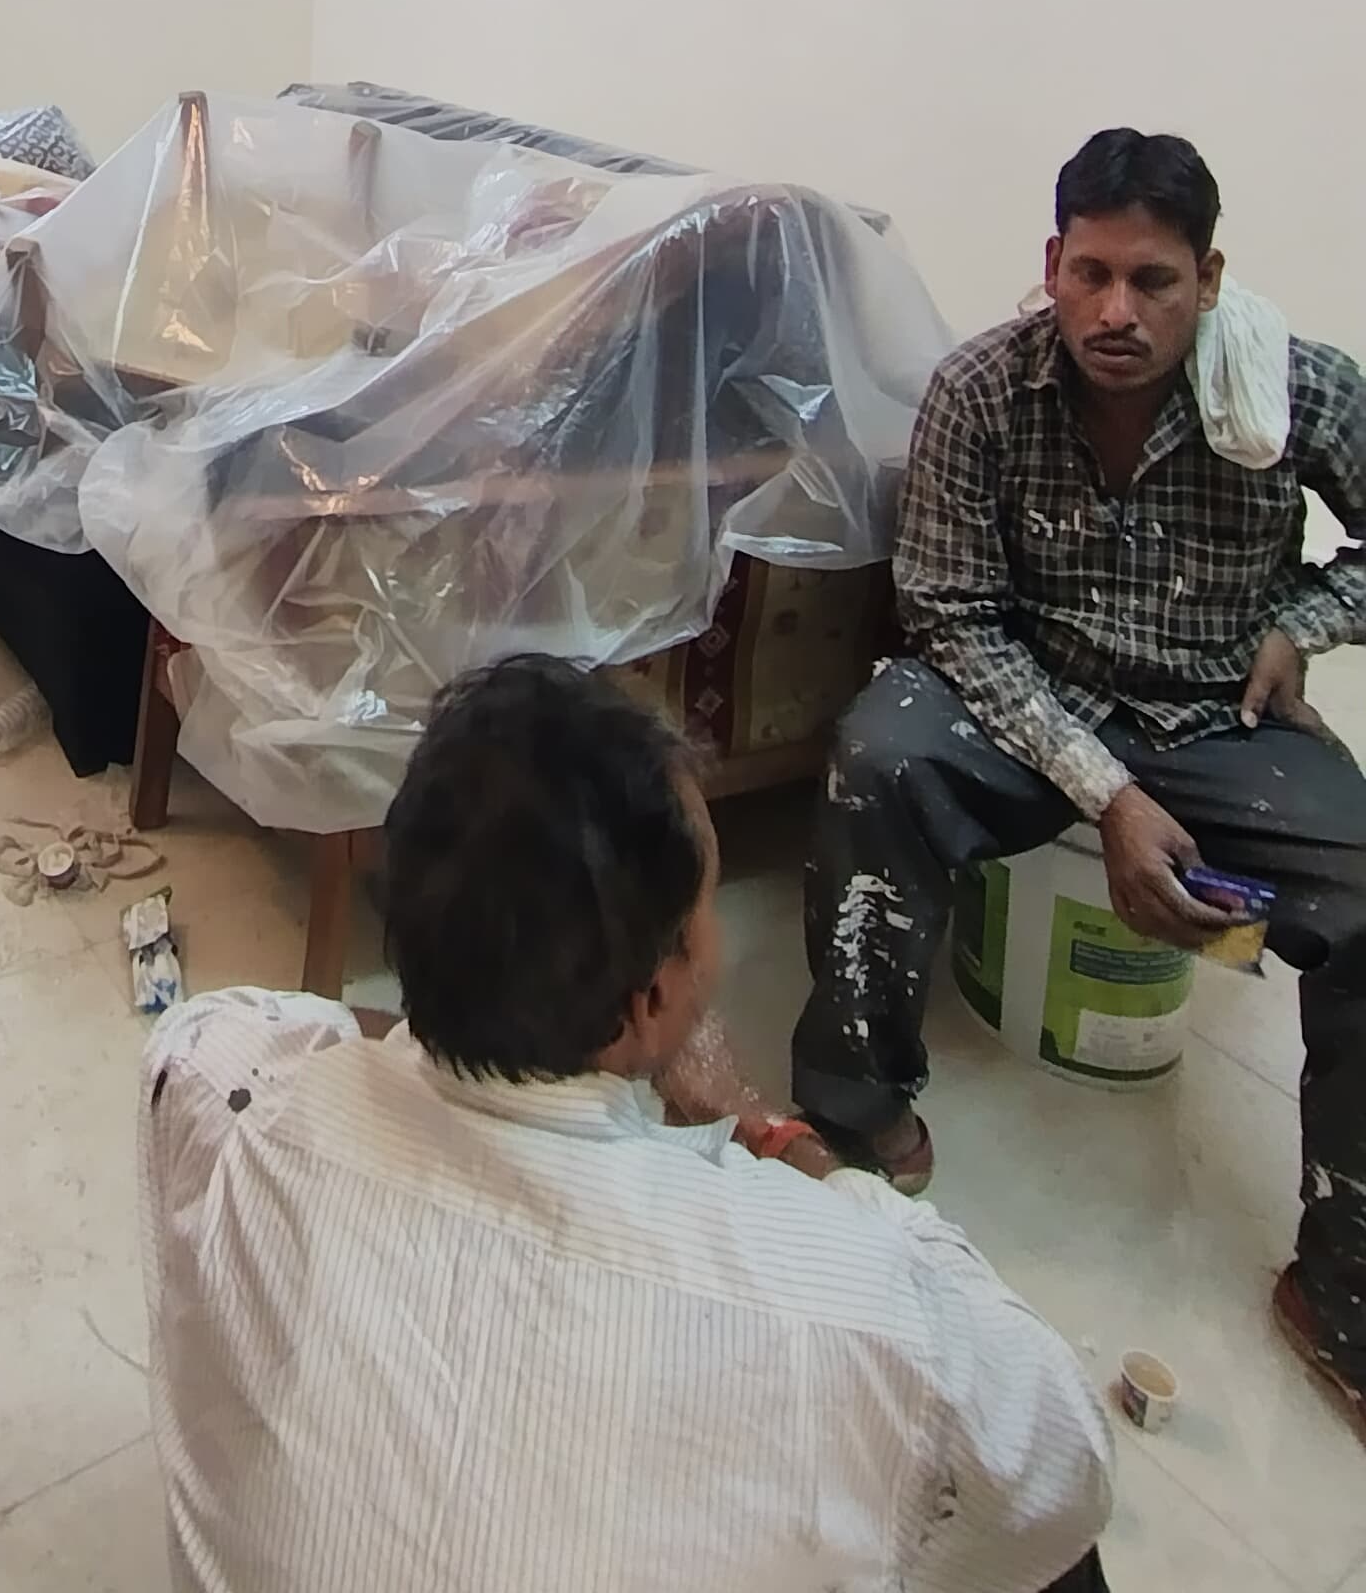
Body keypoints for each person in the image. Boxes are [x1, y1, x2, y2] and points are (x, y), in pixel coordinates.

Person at [141, 655, 1112, 1592]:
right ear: (648, 1000)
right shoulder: (858, 1310)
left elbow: (239, 1025)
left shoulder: (230, 1096)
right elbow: (1066, 1459)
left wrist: (459, 1017)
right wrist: (770, 1131)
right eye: (709, 907)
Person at [793, 127, 1366, 1431]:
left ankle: (1342, 1286)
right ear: (1053, 262)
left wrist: (1307, 621)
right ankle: (853, 1107)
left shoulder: (1292, 388)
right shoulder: (983, 388)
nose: (1116, 312)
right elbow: (949, 612)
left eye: (1153, 280)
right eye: (1091, 273)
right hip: (1027, 694)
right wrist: (1107, 791)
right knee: (880, 755)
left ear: (1208, 278)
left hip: (1218, 713)